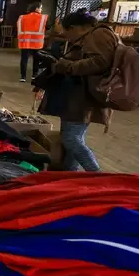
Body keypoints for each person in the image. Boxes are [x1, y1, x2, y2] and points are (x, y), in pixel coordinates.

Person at [38, 10, 116, 171]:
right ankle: (69, 173)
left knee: (71, 138)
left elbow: (101, 62)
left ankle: (97, 175)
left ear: (73, 28)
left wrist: (66, 66)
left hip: (83, 97)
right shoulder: (94, 35)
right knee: (74, 136)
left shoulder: (99, 35)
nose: (66, 37)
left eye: (66, 33)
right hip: (78, 95)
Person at [17, 2, 48, 82]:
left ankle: (23, 77)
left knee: (24, 59)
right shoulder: (43, 18)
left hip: (25, 42)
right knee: (36, 59)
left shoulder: (22, 17)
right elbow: (47, 27)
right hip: (37, 42)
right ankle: (34, 75)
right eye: (40, 8)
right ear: (36, 8)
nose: (41, 10)